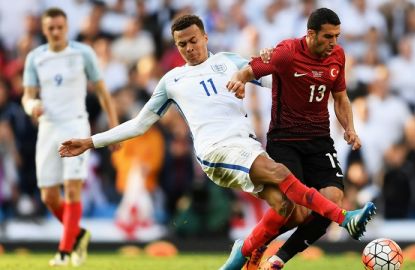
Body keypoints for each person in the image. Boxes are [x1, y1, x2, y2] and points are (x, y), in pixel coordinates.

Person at [57, 14, 375, 270]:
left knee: (290, 211)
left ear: (205, 37)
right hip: (216, 151)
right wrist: (91, 141)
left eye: (193, 40)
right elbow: (141, 124)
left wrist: (274, 60)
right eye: (182, 44)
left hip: (247, 144)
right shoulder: (172, 81)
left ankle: (244, 253)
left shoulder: (229, 61)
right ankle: (344, 218)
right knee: (278, 172)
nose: (189, 48)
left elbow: (278, 76)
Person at [226, 8, 364, 269]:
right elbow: (250, 69)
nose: (334, 42)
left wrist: (350, 128)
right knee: (296, 211)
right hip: (285, 139)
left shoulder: (338, 56)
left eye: (337, 36)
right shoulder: (287, 52)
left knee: (333, 201)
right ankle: (257, 244)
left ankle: (278, 259)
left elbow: (341, 97)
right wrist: (239, 80)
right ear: (311, 34)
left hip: (320, 140)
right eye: (328, 36)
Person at [22, 7, 119, 267]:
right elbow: (27, 95)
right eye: (50, 28)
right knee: (49, 196)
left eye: (59, 27)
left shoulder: (82, 53)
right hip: (48, 127)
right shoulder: (35, 58)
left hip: (75, 125)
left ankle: (64, 252)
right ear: (44, 30)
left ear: (66, 27)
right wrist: (32, 106)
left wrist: (113, 128)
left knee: (73, 189)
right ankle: (78, 233)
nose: (55, 32)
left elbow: (102, 91)